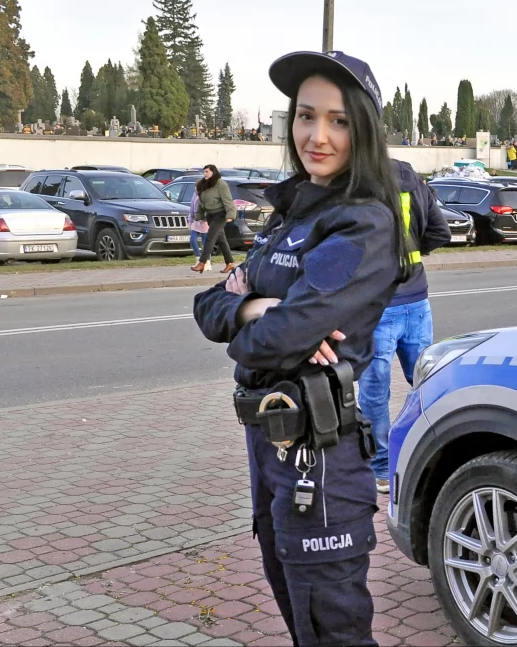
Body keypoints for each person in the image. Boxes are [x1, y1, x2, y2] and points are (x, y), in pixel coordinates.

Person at [194, 50, 414, 647]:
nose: (317, 135)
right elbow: (207, 306)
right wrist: (253, 307)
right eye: (306, 116)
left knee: (333, 632)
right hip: (266, 444)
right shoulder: (291, 212)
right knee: (300, 623)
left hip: (321, 452)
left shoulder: (363, 223)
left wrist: (263, 315)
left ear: (363, 127)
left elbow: (278, 339)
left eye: (339, 120)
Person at [359, 161, 450, 494]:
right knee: (426, 384)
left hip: (378, 305)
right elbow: (441, 232)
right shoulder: (414, 180)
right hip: (417, 301)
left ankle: (381, 469)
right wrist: (412, 250)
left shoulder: (358, 181)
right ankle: (432, 455)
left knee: (374, 393)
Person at [191, 164, 237, 274]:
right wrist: (199, 215)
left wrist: (230, 214)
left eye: (207, 171)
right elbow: (201, 202)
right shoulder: (203, 184)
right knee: (222, 240)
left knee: (210, 238)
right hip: (210, 215)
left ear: (213, 172)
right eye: (204, 172)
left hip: (221, 215)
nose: (205, 174)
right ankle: (230, 263)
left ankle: (202, 263)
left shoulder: (220, 184)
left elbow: (228, 200)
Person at [188, 191, 210, 264]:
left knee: (205, 243)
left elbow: (208, 208)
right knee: (192, 240)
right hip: (196, 221)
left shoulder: (206, 195)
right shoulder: (195, 195)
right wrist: (190, 221)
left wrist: (204, 218)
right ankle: (198, 258)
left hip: (204, 222)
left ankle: (207, 261)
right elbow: (192, 208)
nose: (196, 190)